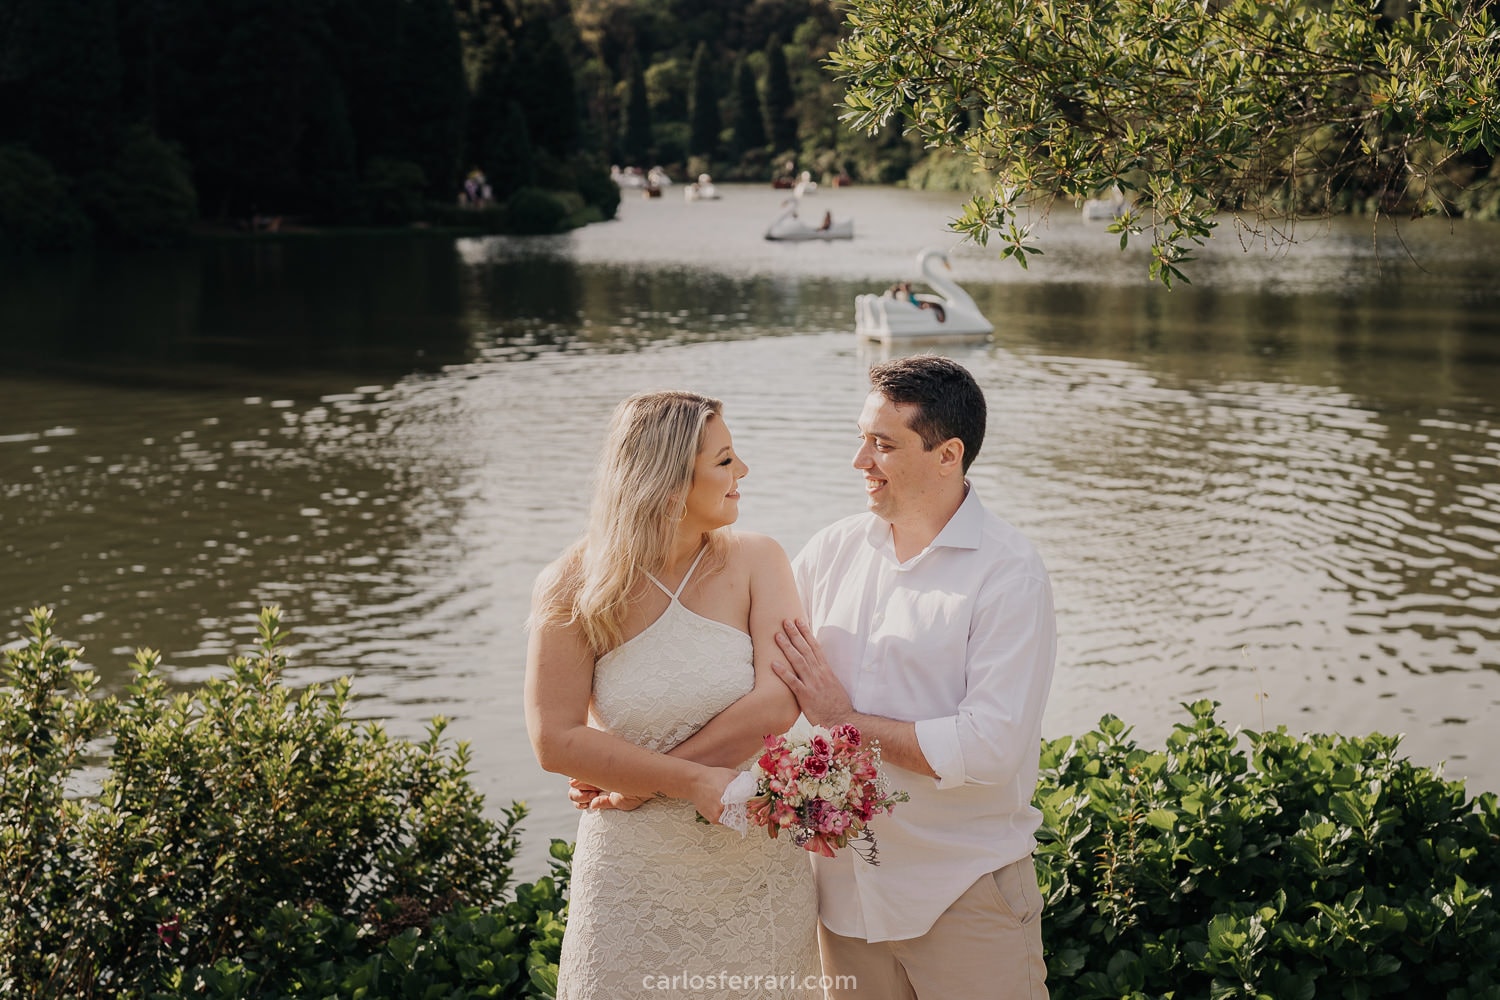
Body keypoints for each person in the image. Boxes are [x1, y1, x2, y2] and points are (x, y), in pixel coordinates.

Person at [770, 355, 1055, 1000]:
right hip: (842, 897)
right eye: (862, 438)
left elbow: (990, 747)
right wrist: (643, 765)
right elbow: (758, 681)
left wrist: (843, 722)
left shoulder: (1009, 574)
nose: (859, 461)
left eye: (883, 444)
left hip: (963, 894)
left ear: (948, 454)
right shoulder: (831, 551)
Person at [525, 390, 821, 1000]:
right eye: (725, 461)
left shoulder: (759, 560)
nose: (743, 471)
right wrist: (685, 782)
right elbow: (555, 740)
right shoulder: (572, 585)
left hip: (754, 872)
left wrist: (638, 783)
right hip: (629, 876)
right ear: (666, 481)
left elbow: (776, 704)